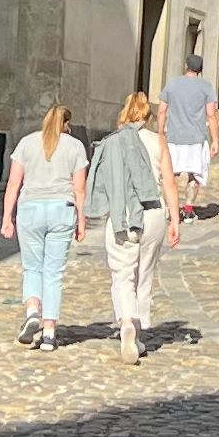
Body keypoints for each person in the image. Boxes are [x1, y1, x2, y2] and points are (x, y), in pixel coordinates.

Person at [1, 102, 86, 351]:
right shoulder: (75, 146)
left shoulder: (26, 143)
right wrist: (81, 219)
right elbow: (79, 188)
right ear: (66, 124)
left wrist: (7, 217)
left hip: (30, 209)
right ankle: (49, 333)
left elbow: (13, 183)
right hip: (61, 209)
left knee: (32, 268)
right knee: (53, 273)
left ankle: (32, 311)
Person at [95, 90, 171, 363]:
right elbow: (169, 181)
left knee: (122, 274)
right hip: (153, 211)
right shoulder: (157, 141)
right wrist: (176, 217)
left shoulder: (112, 142)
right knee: (144, 274)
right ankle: (137, 333)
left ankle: (127, 322)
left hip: (122, 213)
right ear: (148, 116)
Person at [160, 39, 217, 222]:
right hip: (196, 138)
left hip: (174, 138)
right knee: (194, 174)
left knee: (171, 174)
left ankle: (170, 208)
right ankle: (189, 209)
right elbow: (211, 115)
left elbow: (162, 110)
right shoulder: (206, 87)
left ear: (186, 66)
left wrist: (160, 133)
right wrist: (215, 139)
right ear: (200, 70)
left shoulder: (172, 84)